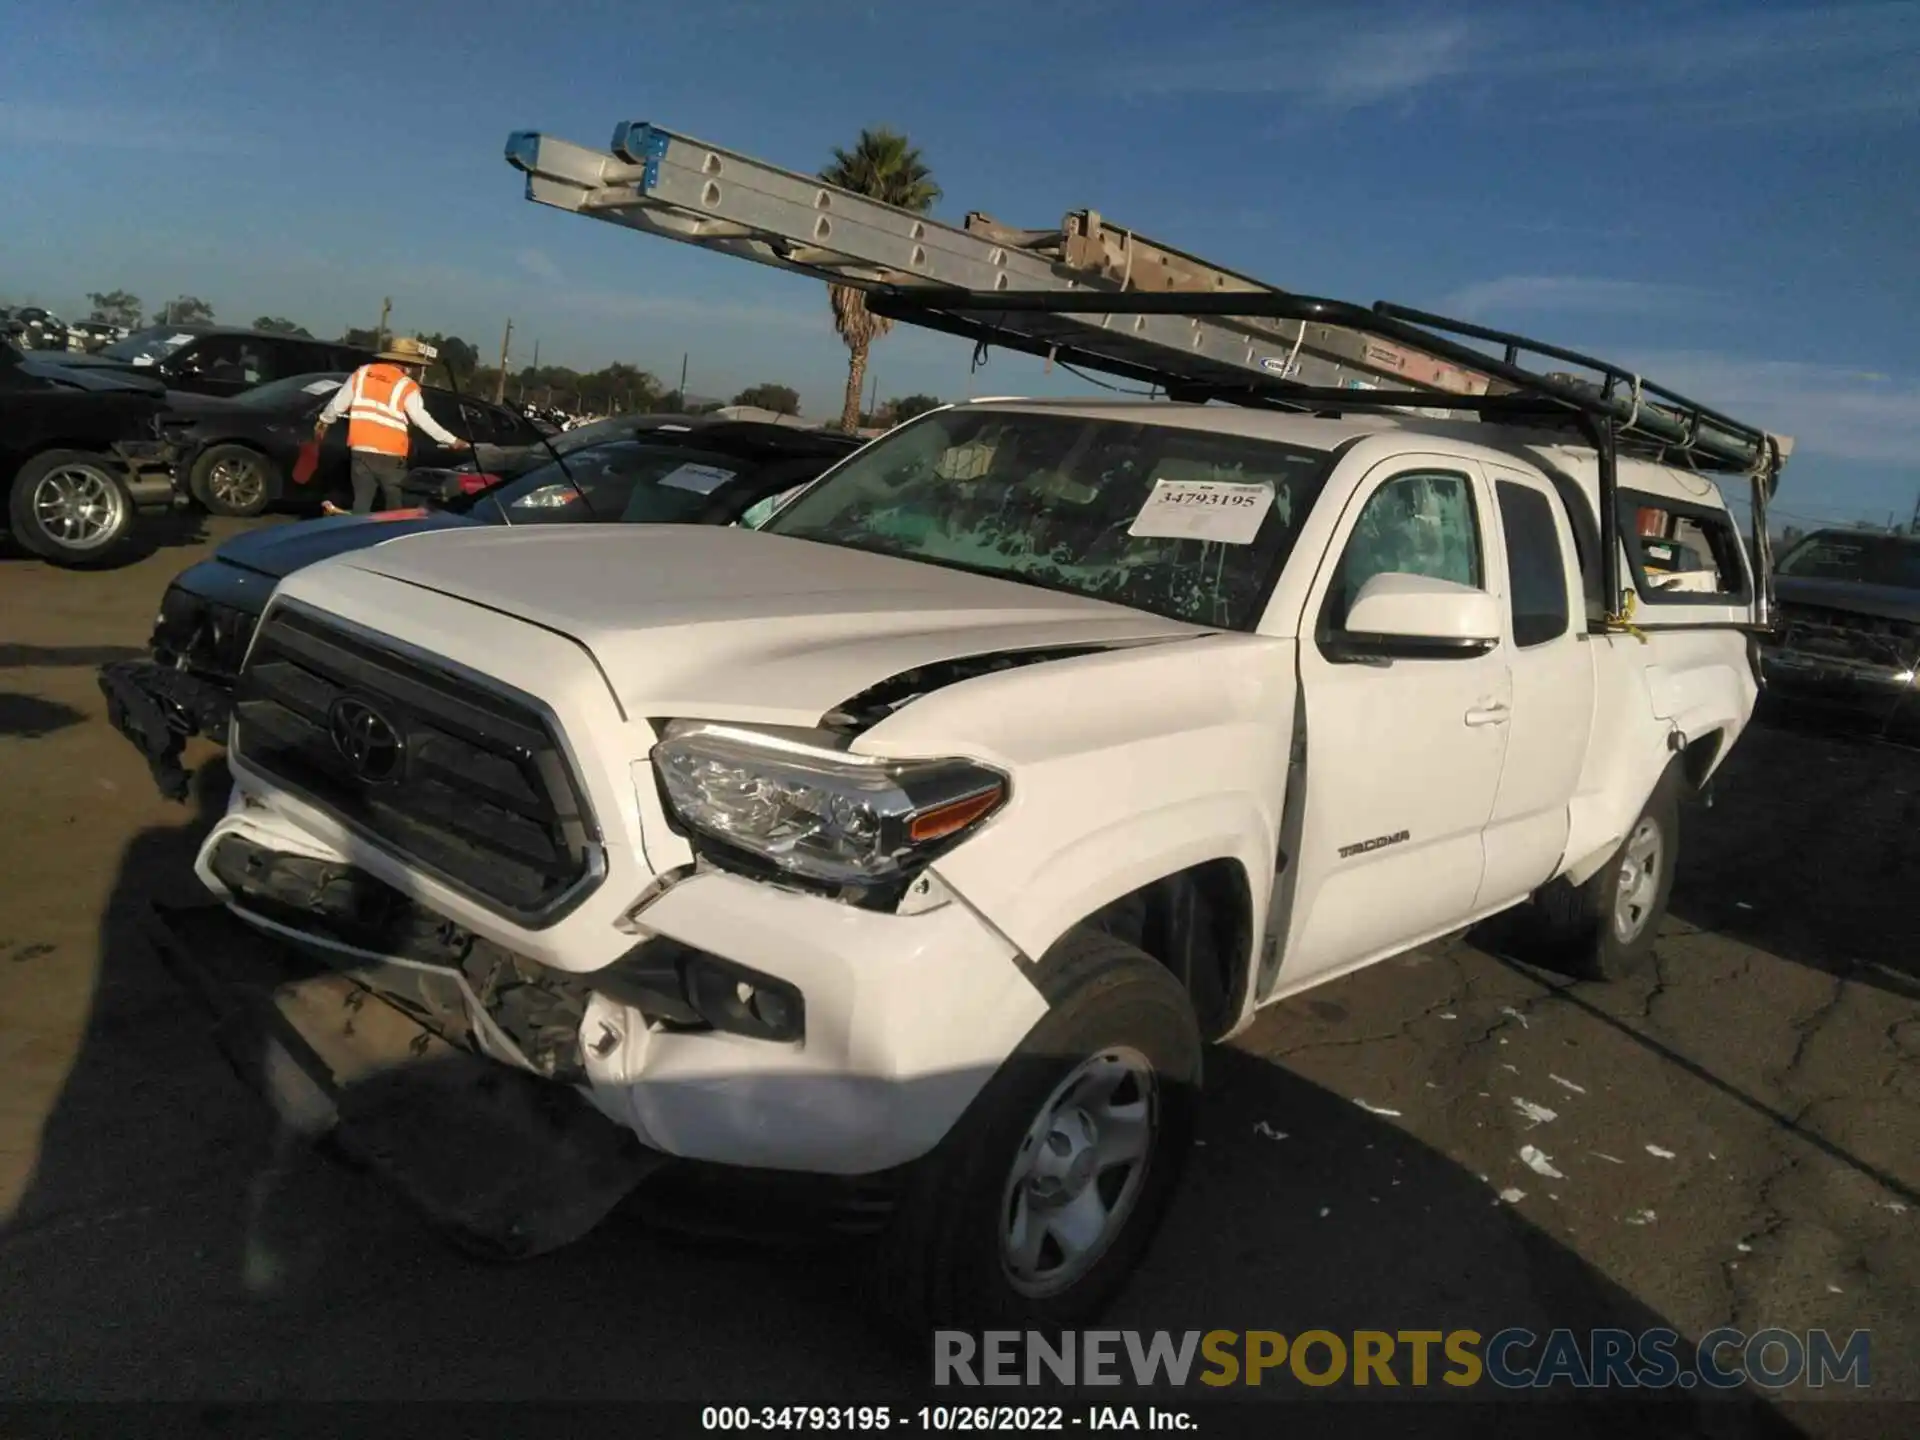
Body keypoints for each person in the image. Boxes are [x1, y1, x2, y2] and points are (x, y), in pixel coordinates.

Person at [313, 335, 468, 514]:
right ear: (407, 364)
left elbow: (337, 403)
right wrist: (452, 440)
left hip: (361, 448)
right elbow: (421, 419)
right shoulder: (406, 386)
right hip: (390, 454)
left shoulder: (362, 374)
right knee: (394, 505)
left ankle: (355, 533)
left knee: (362, 502)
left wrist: (324, 421)